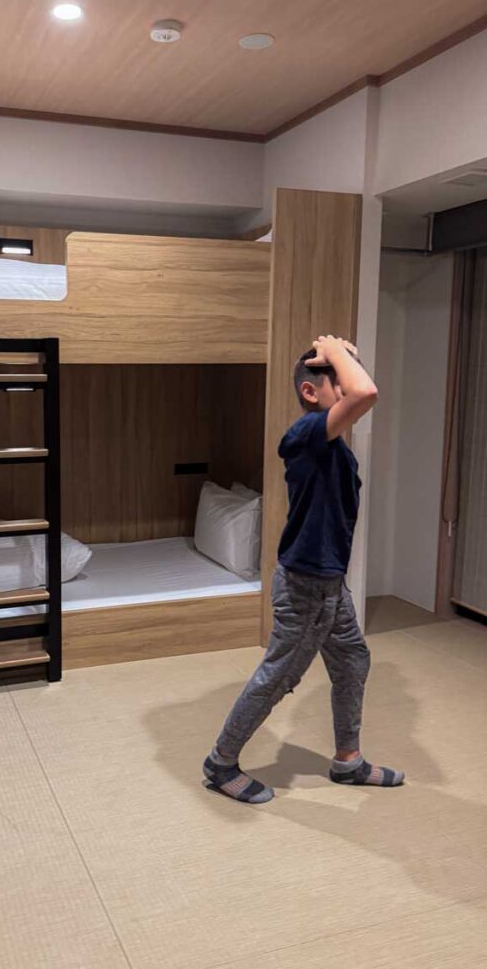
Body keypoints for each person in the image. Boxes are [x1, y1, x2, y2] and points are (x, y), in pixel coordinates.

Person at [203, 334, 405, 804]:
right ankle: (221, 762)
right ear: (312, 393)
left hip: (330, 584)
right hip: (306, 587)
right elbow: (366, 394)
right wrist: (332, 349)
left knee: (353, 660)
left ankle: (348, 762)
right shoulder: (304, 435)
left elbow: (360, 391)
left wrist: (342, 358)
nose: (354, 379)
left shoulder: (333, 446)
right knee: (279, 676)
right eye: (339, 376)